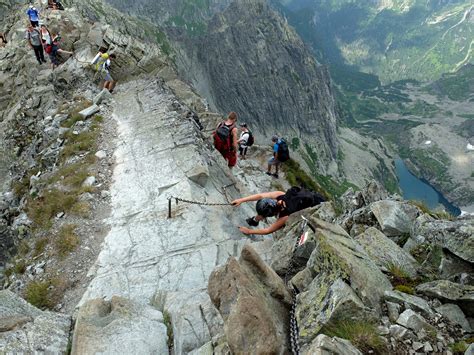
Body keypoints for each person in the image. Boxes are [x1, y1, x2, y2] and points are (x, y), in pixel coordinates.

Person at [231, 186, 325, 235]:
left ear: (274, 214)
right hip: (313, 196)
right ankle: (255, 220)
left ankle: (255, 220)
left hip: (318, 205)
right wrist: (241, 200)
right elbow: (260, 196)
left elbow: (268, 230)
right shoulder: (280, 195)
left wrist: (249, 231)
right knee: (264, 212)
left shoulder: (285, 216)